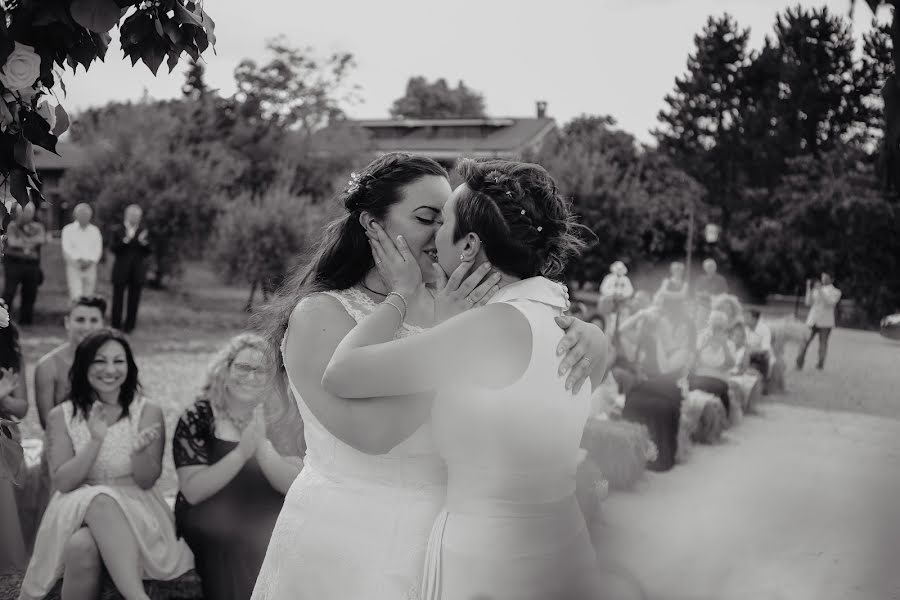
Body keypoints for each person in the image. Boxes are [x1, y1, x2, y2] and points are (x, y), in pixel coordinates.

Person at [250, 153, 607, 600]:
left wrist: (593, 339)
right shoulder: (320, 315)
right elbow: (376, 435)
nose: (439, 233)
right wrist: (414, 305)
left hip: (449, 542)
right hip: (353, 541)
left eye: (446, 220)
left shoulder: (463, 306)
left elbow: (527, 350)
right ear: (370, 224)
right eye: (426, 218)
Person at [19, 330, 193, 600]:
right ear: (84, 365)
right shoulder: (60, 416)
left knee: (81, 546)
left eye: (118, 361)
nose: (109, 369)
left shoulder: (148, 411)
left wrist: (138, 453)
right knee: (97, 503)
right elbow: (64, 482)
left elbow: (147, 480)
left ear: (129, 366)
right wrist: (95, 441)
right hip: (74, 505)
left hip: (137, 507)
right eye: (99, 361)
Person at [173, 333, 303, 600]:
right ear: (225, 368)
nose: (251, 376)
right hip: (209, 511)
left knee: (282, 537)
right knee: (230, 538)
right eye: (243, 367)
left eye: (261, 370)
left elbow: (292, 485)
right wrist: (242, 452)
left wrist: (262, 447)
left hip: (263, 507)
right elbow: (194, 491)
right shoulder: (199, 417)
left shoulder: (281, 416)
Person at [621, 294, 696, 472]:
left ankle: (659, 457)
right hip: (648, 387)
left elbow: (665, 369)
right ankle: (630, 454)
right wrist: (640, 315)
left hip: (669, 390)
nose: (675, 331)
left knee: (660, 408)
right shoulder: (648, 341)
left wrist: (659, 339)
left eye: (679, 330)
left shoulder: (682, 350)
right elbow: (621, 331)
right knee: (632, 402)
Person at [109, 204, 152, 333]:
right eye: (133, 216)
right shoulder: (118, 230)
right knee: (117, 299)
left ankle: (130, 326)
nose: (135, 218)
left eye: (138, 216)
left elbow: (149, 251)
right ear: (127, 216)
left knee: (134, 300)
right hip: (121, 270)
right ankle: (115, 325)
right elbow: (113, 248)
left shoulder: (144, 231)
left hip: (137, 271)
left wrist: (143, 243)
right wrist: (126, 240)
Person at [2, 202, 46, 324]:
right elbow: (13, 242)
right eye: (24, 212)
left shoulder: (38, 227)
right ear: (18, 213)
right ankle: (4, 320)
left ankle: (26, 322)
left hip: (31, 264)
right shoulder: (12, 226)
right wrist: (30, 244)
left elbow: (41, 239)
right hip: (13, 263)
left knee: (30, 293)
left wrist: (23, 242)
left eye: (29, 213)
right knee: (9, 292)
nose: (26, 215)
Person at [689, 310, 735, 417]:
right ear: (709, 325)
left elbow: (729, 365)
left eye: (719, 327)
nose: (715, 330)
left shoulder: (729, 344)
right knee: (694, 385)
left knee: (719, 389)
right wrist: (703, 346)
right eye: (714, 326)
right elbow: (690, 362)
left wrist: (724, 346)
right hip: (700, 376)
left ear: (724, 328)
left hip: (719, 379)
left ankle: (722, 419)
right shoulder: (700, 340)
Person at [797, 273, 842, 370]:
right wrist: (808, 287)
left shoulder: (836, 291)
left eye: (825, 277)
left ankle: (820, 364)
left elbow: (830, 302)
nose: (823, 279)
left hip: (826, 322)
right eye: (822, 277)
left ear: (832, 279)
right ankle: (799, 363)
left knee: (822, 344)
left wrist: (820, 290)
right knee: (804, 342)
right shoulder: (817, 289)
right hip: (812, 320)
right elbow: (808, 302)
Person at [61, 204, 103, 301]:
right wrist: (79, 261)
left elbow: (98, 249)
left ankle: (86, 315)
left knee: (88, 297)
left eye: (86, 215)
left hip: (90, 267)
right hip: (74, 267)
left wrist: (90, 261)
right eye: (82, 214)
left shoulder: (94, 230)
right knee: (76, 296)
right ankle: (75, 316)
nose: (84, 217)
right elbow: (67, 248)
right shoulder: (68, 229)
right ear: (76, 215)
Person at [745, 309, 775, 385]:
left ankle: (764, 382)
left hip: (761, 355)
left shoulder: (764, 329)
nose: (745, 319)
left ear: (754, 319)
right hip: (747, 353)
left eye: (747, 317)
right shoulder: (745, 328)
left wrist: (750, 351)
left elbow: (765, 349)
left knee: (766, 357)